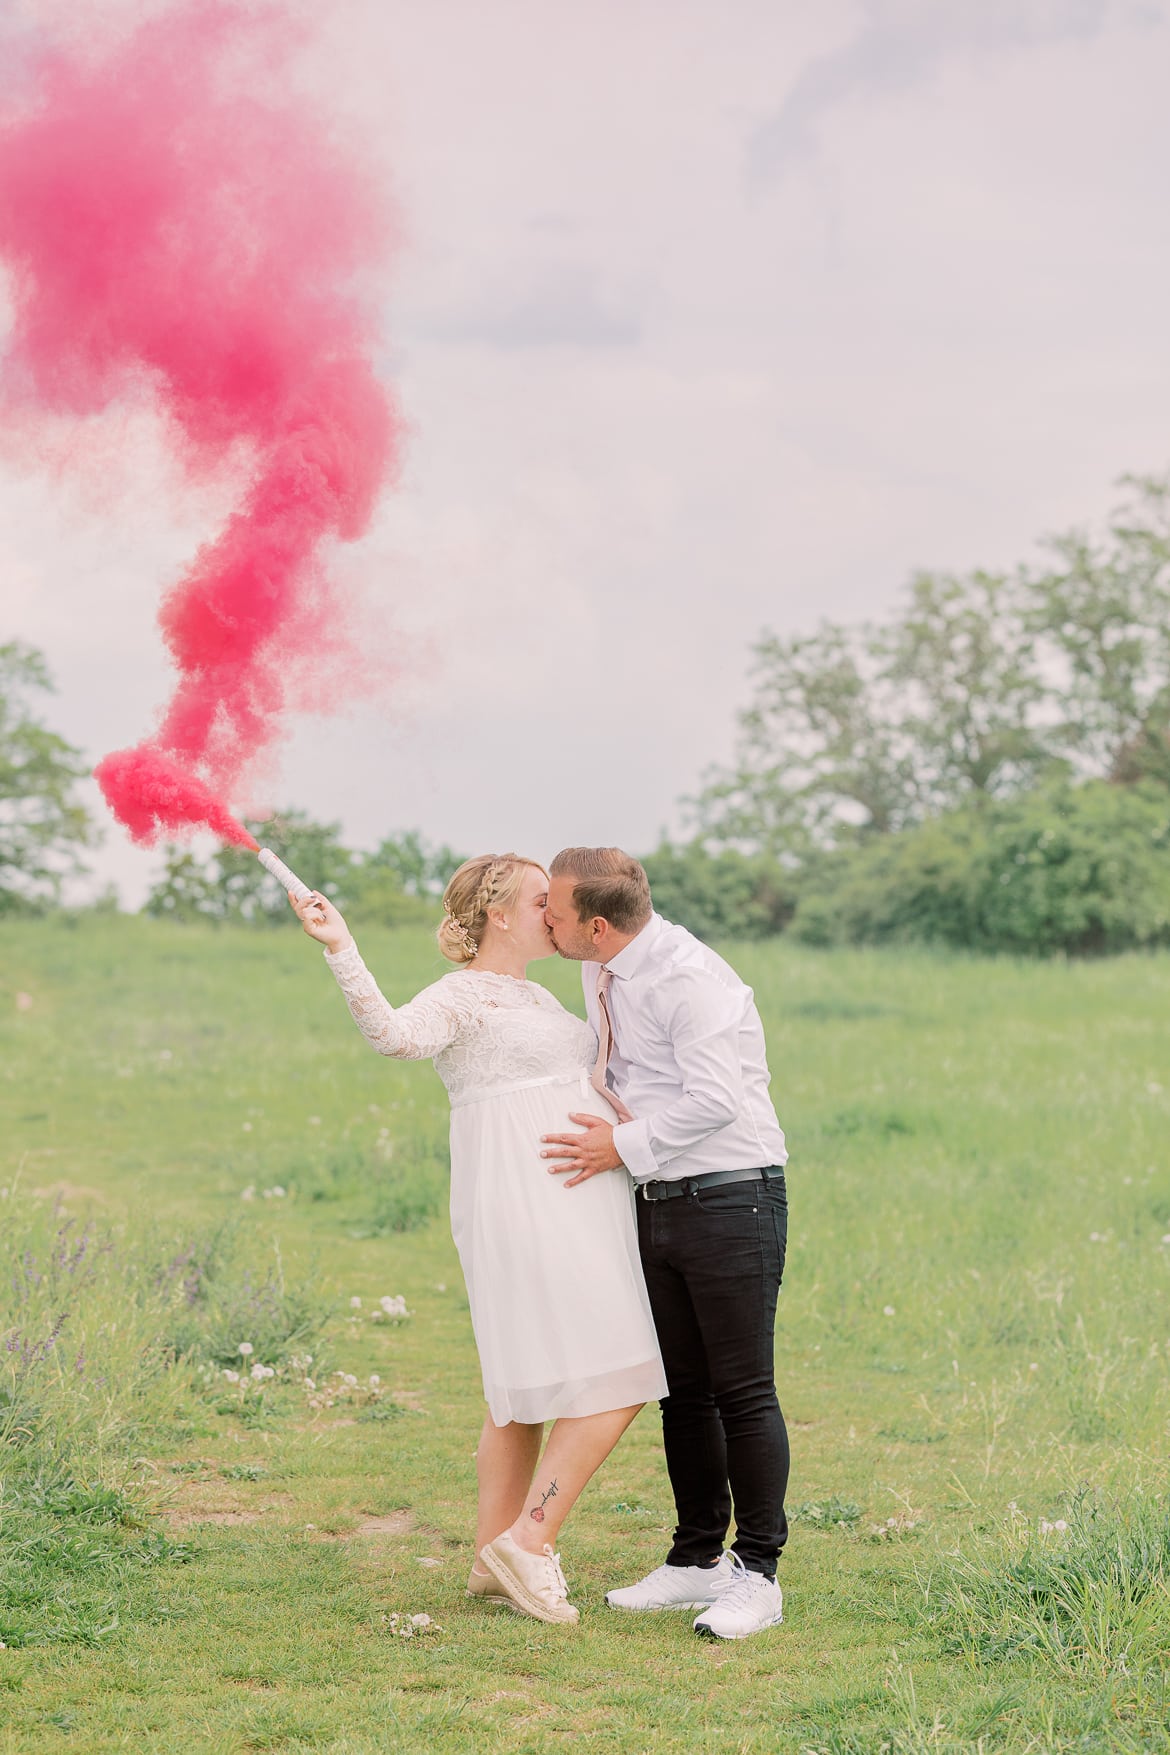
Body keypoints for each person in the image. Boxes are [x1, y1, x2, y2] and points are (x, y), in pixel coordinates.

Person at [289, 853, 667, 1627]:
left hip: (580, 1195)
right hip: (526, 1198)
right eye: (541, 899)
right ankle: (530, 1543)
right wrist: (341, 947)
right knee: (626, 1372)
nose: (554, 910)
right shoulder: (461, 995)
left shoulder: (536, 991)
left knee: (520, 1389)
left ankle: (490, 1559)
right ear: (500, 913)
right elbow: (394, 1036)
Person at [541, 846, 790, 1642]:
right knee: (681, 1391)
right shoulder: (604, 967)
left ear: (599, 923)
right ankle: (695, 1560)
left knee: (744, 1388)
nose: (547, 917)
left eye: (555, 908)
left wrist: (621, 1146)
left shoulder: (691, 978)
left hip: (731, 1196)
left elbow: (717, 1099)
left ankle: (758, 1574)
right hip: (657, 1198)